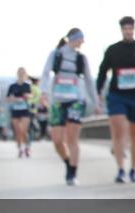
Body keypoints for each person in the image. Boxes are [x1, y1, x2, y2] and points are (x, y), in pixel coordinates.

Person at [96, 16, 135, 184]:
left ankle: (134, 169)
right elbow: (102, 71)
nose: (128, 31)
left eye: (130, 29)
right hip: (117, 95)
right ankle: (120, 169)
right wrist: (98, 91)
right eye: (125, 29)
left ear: (134, 30)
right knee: (119, 129)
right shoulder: (113, 50)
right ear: (121, 30)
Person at [40, 28, 101, 186]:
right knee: (57, 140)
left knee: (72, 138)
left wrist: (96, 102)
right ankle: (67, 161)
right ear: (73, 38)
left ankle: (72, 172)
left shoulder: (81, 58)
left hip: (76, 100)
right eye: (81, 39)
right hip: (58, 100)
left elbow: (89, 81)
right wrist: (43, 93)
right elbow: (45, 73)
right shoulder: (56, 55)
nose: (83, 42)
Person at [7, 67, 33, 158]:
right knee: (17, 131)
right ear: (17, 74)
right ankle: (20, 148)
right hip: (15, 110)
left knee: (23, 130)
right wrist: (12, 99)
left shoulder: (27, 85)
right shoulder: (12, 86)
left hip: (25, 109)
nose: (21, 74)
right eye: (19, 72)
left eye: (23, 72)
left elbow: (31, 95)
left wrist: (27, 96)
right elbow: (7, 98)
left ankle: (26, 147)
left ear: (25, 74)